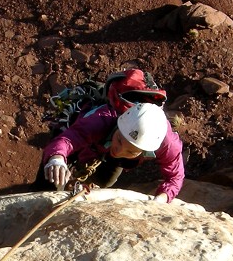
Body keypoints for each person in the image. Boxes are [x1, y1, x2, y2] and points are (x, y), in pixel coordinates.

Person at [34, 71, 185, 202]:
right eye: (120, 140)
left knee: (104, 181)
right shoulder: (101, 120)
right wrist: (57, 158)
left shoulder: (166, 143)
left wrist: (162, 198)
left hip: (106, 146)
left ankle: (81, 183)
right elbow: (68, 139)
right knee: (49, 181)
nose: (119, 151)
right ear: (119, 124)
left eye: (131, 151)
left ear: (145, 150)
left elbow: (175, 177)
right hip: (79, 130)